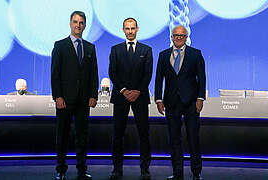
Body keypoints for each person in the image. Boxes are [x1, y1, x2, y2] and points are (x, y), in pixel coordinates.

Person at [51, 11, 98, 180]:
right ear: (70, 24)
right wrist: (58, 96)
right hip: (64, 100)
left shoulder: (90, 47)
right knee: (62, 136)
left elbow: (94, 74)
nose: (78, 25)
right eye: (75, 22)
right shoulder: (60, 46)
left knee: (82, 137)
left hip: (84, 100)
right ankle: (61, 169)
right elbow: (55, 74)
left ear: (84, 25)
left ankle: (81, 170)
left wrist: (94, 95)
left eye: (81, 23)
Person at [154, 25, 206, 180]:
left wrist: (200, 98)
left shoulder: (195, 54)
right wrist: (158, 99)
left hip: (191, 103)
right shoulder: (163, 55)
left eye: (181, 35)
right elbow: (158, 79)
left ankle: (196, 172)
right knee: (174, 139)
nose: (178, 38)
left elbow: (202, 78)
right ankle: (177, 172)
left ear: (186, 37)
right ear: (171, 37)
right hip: (171, 103)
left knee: (193, 138)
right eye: (176, 35)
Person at [108, 17, 153, 180]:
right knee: (117, 134)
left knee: (144, 134)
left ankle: (145, 169)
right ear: (123, 30)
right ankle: (117, 169)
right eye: (127, 28)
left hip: (140, 97)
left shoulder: (146, 50)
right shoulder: (115, 49)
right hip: (121, 96)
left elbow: (148, 74)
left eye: (132, 28)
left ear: (137, 29)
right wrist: (124, 90)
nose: (130, 31)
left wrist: (137, 91)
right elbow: (112, 72)